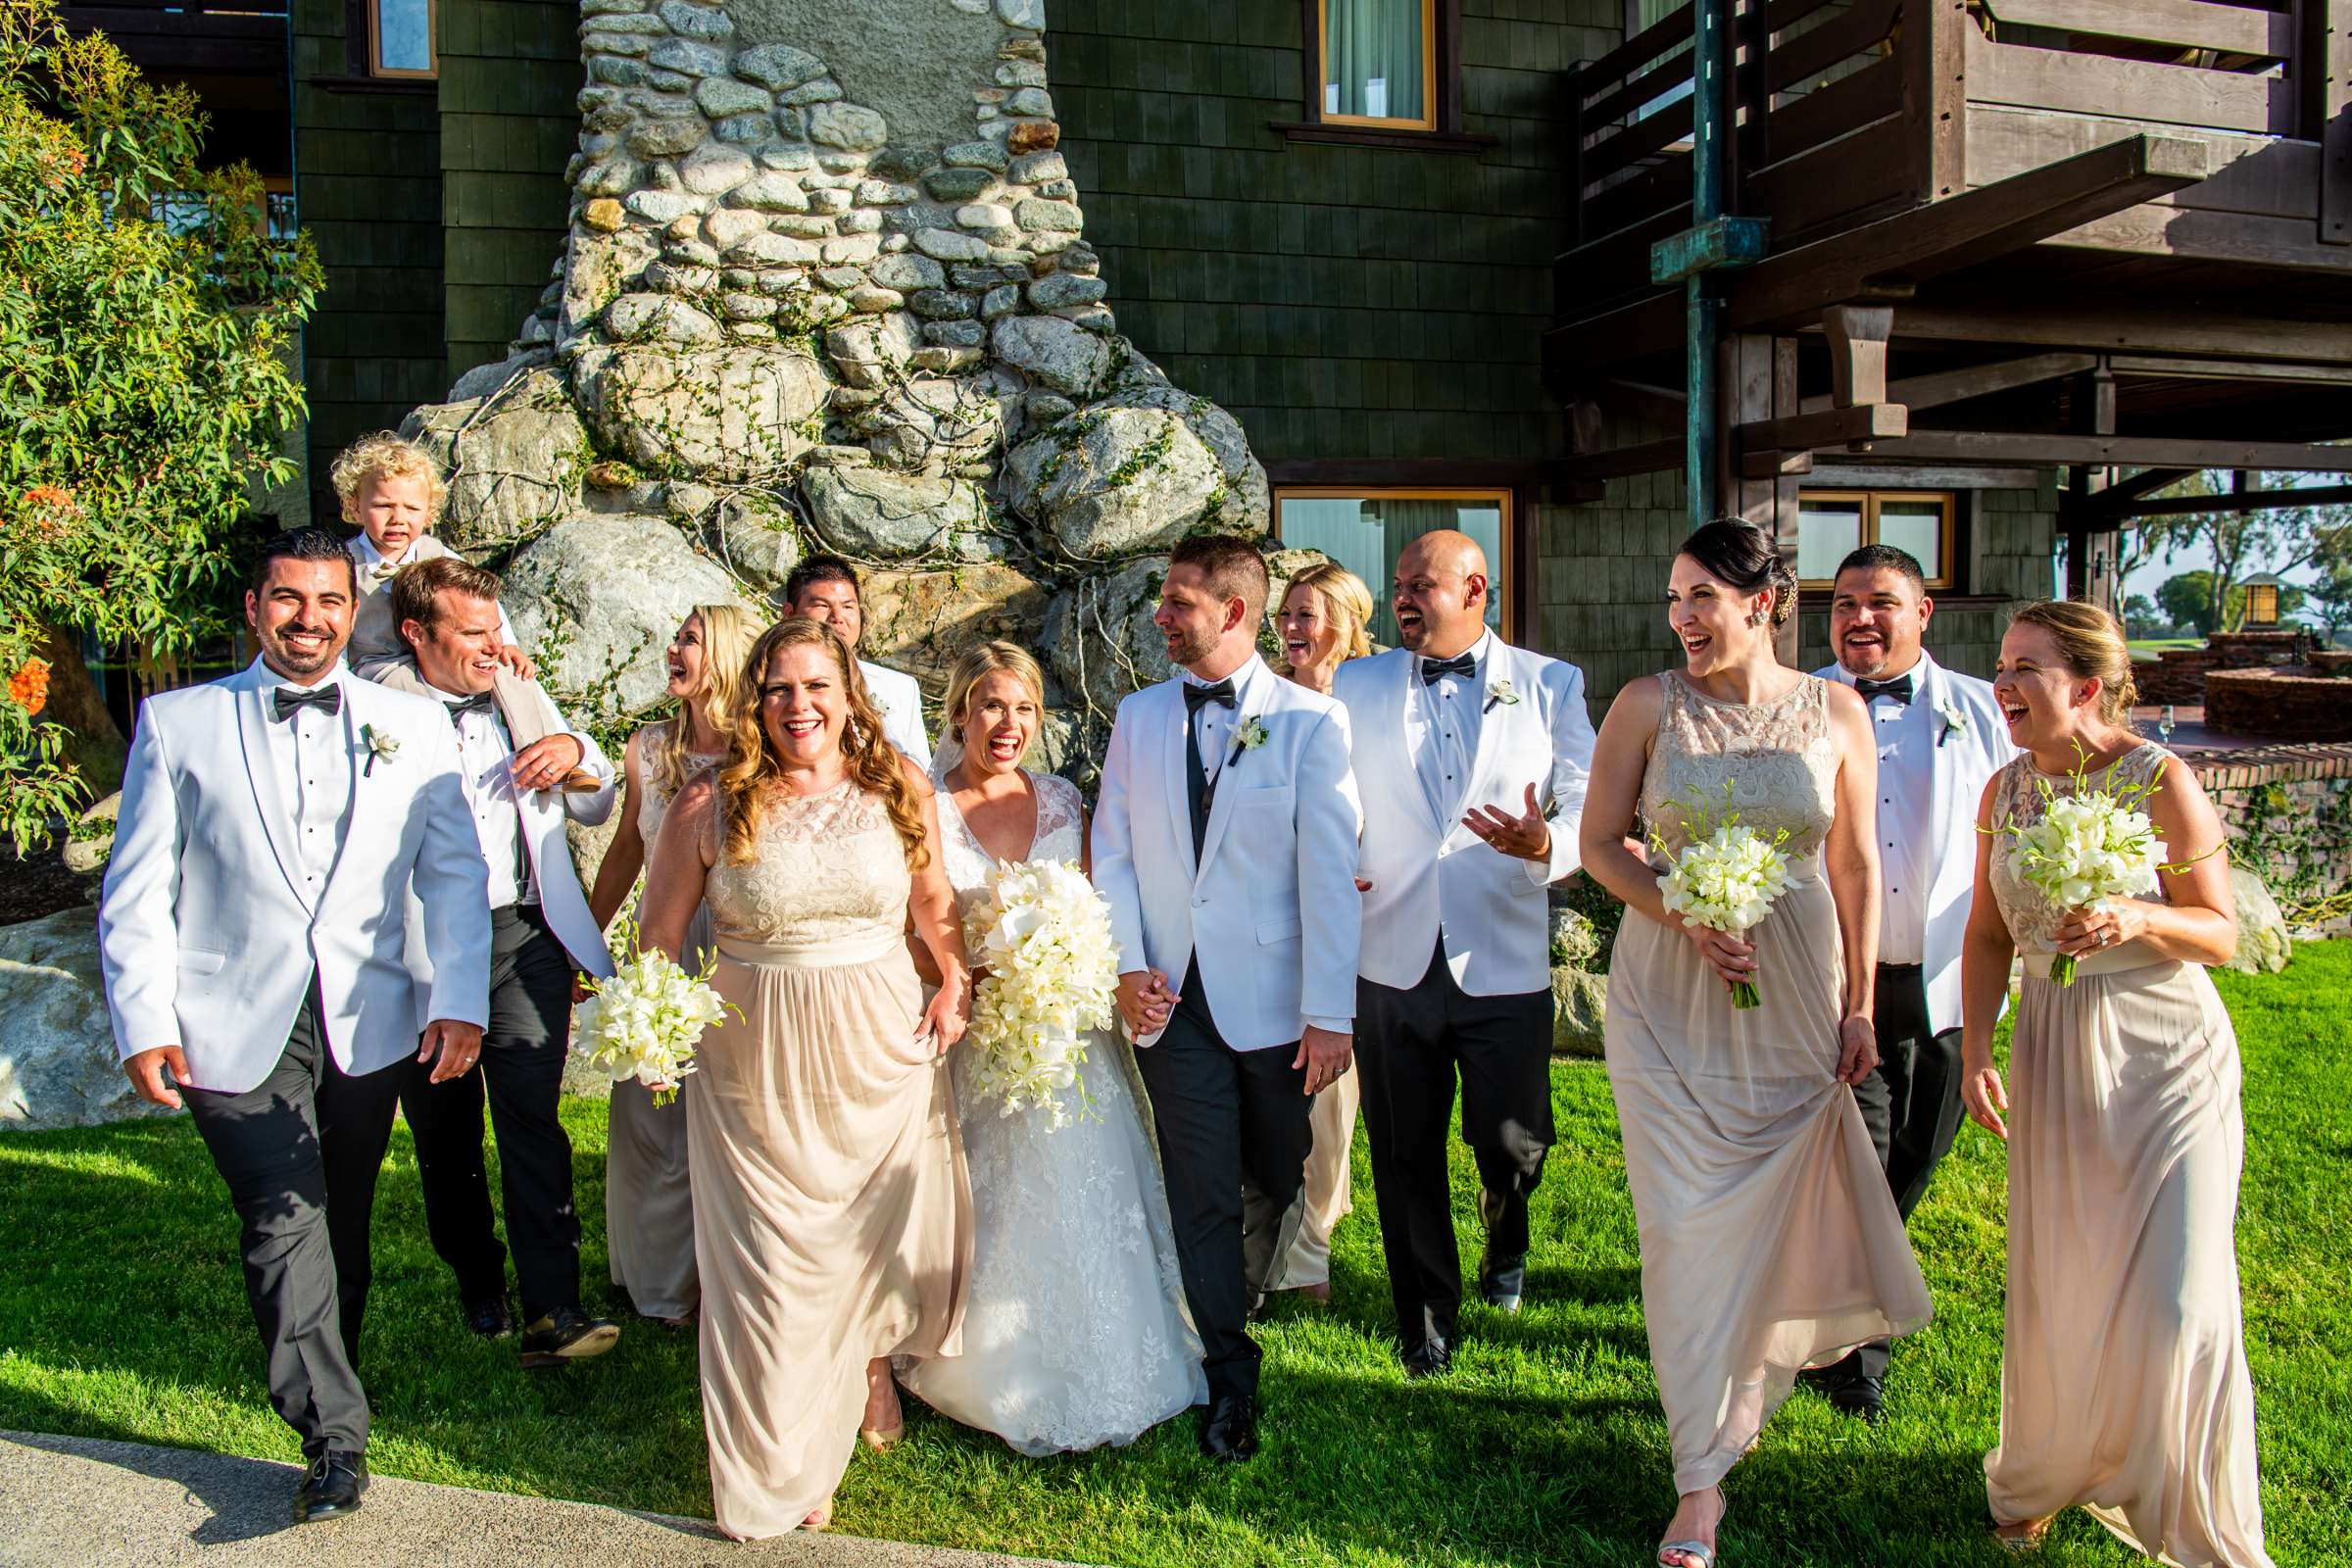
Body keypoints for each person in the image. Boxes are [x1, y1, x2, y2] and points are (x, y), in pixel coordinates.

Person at [97, 526, 490, 1523]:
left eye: (327, 601)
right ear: (253, 608)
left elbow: (453, 876)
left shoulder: (410, 725)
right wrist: (143, 1019)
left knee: (339, 1221)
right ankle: (333, 1440)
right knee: (284, 1212)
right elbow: (136, 890)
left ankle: (330, 1377)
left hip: (368, 1017)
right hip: (229, 1016)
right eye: (287, 599)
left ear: (353, 607)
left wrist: (459, 998)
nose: (308, 619)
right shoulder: (178, 722)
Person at [1577, 519, 1932, 1568]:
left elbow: (1858, 864)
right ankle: (1699, 1485)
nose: (1682, 618)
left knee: (1778, 1213)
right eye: (1674, 599)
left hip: (1799, 989)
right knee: (1683, 1227)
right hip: (1667, 993)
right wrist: (1684, 911)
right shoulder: (1646, 704)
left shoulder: (1836, 710)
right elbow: (1602, 844)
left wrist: (1860, 1004)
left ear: (1761, 605)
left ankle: (1751, 1386)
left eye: (1702, 599)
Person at [638, 616, 974, 1539]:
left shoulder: (899, 783)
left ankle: (867, 1369)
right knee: (771, 1261)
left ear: (849, 694)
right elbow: (660, 937)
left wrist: (952, 976)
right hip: (754, 1057)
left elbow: (934, 901)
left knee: (866, 1235)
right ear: (754, 701)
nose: (799, 706)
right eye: (780, 688)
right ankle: (781, 1463)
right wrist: (657, 1028)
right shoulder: (707, 805)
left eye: (818, 686)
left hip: (878, 1041)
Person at [1962, 602, 2272, 1565]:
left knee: (2181, 1297)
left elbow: (2220, 931)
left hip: (2168, 1057)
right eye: (2002, 665)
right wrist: (1977, 1050)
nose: (2003, 684)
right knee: (2064, 1279)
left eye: (2026, 668)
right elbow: (1985, 933)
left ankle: (2184, 1500)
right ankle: (2046, 1468)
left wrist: (2138, 916)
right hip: (2054, 1052)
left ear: (2086, 686)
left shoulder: (2161, 779)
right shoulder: (2005, 790)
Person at [894, 642, 1206, 1453]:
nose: (1009, 725)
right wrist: (980, 976)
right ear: (960, 709)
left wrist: (1100, 978)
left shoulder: (1066, 798)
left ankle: (1109, 1351)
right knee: (990, 1202)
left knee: (1088, 1187)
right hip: (979, 1036)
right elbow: (910, 918)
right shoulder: (921, 802)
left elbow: (1105, 907)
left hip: (1072, 1038)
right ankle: (981, 1361)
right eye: (993, 705)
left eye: (1026, 709)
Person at [1091, 534, 1363, 1462]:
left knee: (1277, 1171)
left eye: (1178, 603)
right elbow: (1116, 851)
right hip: (1175, 1004)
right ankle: (1227, 1375)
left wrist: (1331, 1013)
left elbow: (1330, 873)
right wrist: (1128, 963)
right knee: (1200, 1187)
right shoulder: (1137, 717)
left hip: (1280, 1003)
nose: (1162, 618)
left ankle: (1239, 1287)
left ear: (1232, 612)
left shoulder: (1311, 724)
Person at [1333, 533, 1595, 1373]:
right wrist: (1335, 861)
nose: (1403, 598)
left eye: (1422, 585)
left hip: (1503, 951)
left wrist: (1547, 842)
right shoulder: (1356, 681)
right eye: (1398, 585)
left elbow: (1590, 796)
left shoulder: (1552, 684)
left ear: (1475, 588)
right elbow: (1324, 790)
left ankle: (1504, 1233)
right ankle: (1427, 1323)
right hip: (1390, 955)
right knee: (1403, 1148)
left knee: (1515, 1141)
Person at [379, 557, 622, 1365]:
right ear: (417, 633)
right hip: (424, 946)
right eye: (473, 631)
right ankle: (478, 1276)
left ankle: (556, 1306)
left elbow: (594, 798)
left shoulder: (518, 688)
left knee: (531, 1117)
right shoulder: (375, 704)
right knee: (444, 1129)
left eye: (497, 627)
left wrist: (569, 745)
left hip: (526, 933)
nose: (494, 645)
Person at [1802, 544, 2015, 1422]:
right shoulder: (1798, 703)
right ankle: (1857, 1355)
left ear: (1923, 614)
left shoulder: (1980, 710)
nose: (1859, 617)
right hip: (1834, 978)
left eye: (1881, 602)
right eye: (1845, 601)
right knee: (1859, 1158)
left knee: (1917, 1154)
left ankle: (1831, 1295)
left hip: (1946, 977)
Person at [585, 604, 763, 1328]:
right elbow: (627, 846)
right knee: (653, 1120)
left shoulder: (761, 751)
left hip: (736, 946)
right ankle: (662, 1286)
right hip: (664, 943)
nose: (674, 648)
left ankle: (730, 1277)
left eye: (690, 638)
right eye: (676, 637)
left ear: (723, 655)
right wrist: (588, 938)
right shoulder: (648, 749)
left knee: (734, 1117)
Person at [1266, 563, 1376, 1304]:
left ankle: (1312, 1252)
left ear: (1343, 621)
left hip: (1355, 918)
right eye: (1287, 616)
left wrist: (1364, 873)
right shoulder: (1261, 702)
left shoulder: (1373, 702)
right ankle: (1269, 1242)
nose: (1293, 630)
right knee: (1276, 1088)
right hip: (1272, 915)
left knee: (1333, 1096)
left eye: (1307, 615)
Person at [329, 432, 531, 682]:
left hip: (439, 659)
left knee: (510, 680)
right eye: (383, 506)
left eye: (412, 508)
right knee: (405, 687)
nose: (398, 519)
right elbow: (333, 629)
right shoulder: (343, 566)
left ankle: (542, 722)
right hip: (380, 665)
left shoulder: (435, 554)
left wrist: (508, 644)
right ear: (355, 507)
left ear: (428, 513)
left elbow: (481, 600)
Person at [781, 553, 932, 768]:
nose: (837, 617)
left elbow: (922, 767)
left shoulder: (901, 687)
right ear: (789, 613)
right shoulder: (770, 683)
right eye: (822, 606)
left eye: (847, 606)